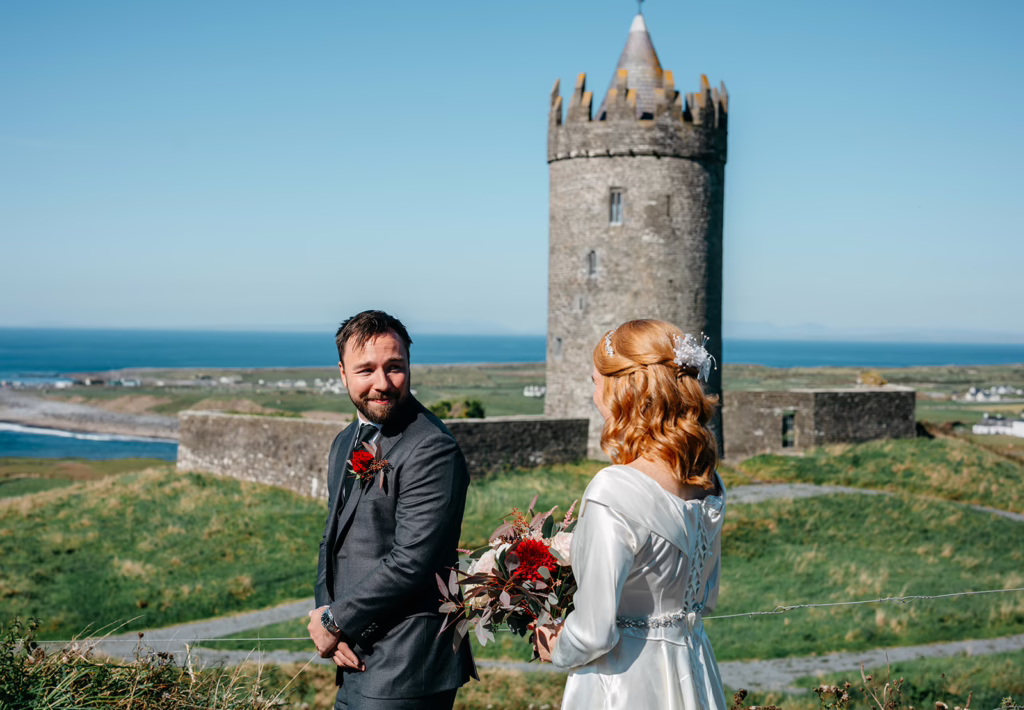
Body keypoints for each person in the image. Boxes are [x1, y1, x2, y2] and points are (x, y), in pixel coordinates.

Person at [535, 319, 727, 710]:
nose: (594, 395)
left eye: (595, 381)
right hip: (694, 668)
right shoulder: (710, 481)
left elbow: (593, 634)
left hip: (625, 682)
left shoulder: (615, 489)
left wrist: (556, 646)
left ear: (621, 389)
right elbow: (703, 598)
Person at [307, 310, 477, 710]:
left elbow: (412, 561)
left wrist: (335, 621)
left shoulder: (432, 447)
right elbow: (331, 541)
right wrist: (326, 615)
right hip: (355, 656)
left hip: (408, 665)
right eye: (366, 370)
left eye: (395, 368)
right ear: (343, 373)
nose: (382, 384)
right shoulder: (346, 440)